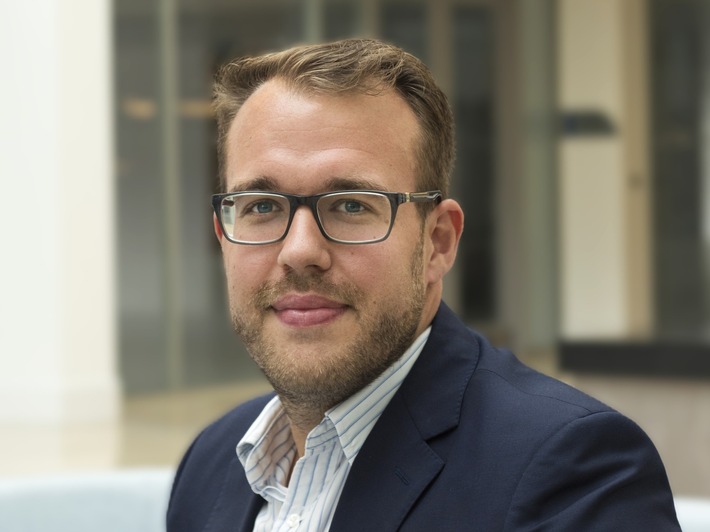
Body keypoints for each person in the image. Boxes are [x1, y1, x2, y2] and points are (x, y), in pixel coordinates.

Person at [167, 38, 680, 531]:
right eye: (261, 206)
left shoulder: (574, 474)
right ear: (223, 237)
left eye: (351, 205)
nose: (299, 251)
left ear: (437, 242)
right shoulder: (209, 464)